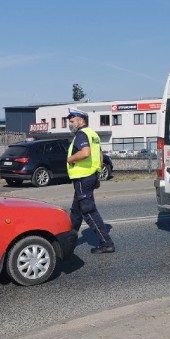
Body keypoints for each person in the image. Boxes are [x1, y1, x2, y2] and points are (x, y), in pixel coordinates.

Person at [66, 108, 115, 254]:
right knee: (76, 211)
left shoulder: (81, 134)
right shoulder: (93, 134)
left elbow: (85, 153)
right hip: (90, 176)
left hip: (82, 178)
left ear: (81, 121)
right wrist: (97, 174)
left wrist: (70, 159)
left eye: (72, 121)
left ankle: (106, 243)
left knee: (88, 211)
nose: (70, 124)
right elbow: (100, 156)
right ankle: (68, 240)